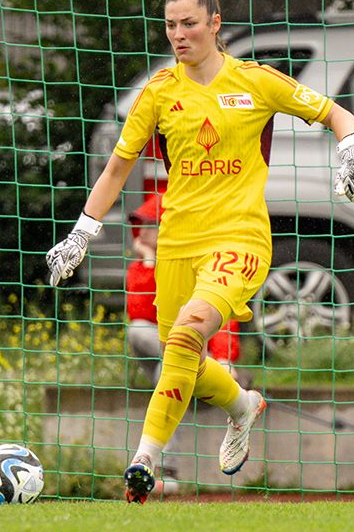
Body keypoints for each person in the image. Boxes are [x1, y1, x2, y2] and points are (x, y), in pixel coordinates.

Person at [46, 0, 354, 504]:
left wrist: (352, 152)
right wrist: (81, 233)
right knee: (184, 358)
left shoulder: (256, 81)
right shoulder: (159, 92)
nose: (179, 35)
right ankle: (242, 405)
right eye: (170, 26)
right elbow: (116, 169)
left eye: (190, 24)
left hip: (240, 239)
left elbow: (337, 113)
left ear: (215, 24)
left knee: (187, 334)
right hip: (177, 245)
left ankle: (143, 461)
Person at [125, 192, 245, 495]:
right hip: (169, 352)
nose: (143, 232)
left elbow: (220, 316)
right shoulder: (142, 266)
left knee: (166, 369)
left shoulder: (200, 261)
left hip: (199, 360)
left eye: (150, 225)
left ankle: (167, 471)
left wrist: (224, 359)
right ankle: (166, 471)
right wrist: (149, 263)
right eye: (142, 225)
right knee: (139, 333)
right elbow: (139, 311)